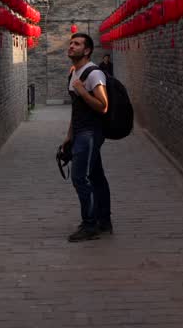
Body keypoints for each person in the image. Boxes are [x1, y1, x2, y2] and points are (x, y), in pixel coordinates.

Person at [61, 33, 112, 241]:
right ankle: (104, 221)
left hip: (90, 134)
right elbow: (76, 109)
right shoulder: (74, 72)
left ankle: (90, 224)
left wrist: (82, 91)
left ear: (87, 50)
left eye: (77, 44)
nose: (71, 46)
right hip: (80, 132)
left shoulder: (94, 74)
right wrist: (69, 135)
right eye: (71, 43)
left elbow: (103, 106)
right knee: (97, 177)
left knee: (80, 177)